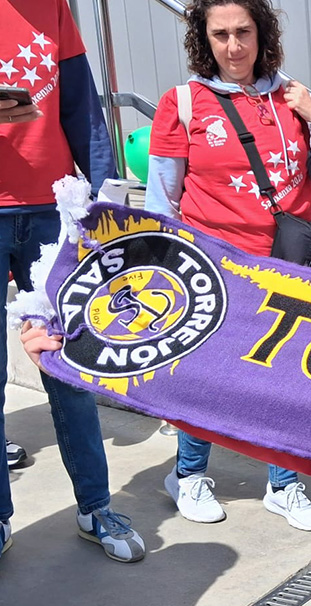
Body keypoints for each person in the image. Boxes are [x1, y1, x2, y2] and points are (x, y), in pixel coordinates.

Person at [145, 0, 311, 530]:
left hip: (289, 266)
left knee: (287, 377)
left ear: (262, 34)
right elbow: (162, 199)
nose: (234, 47)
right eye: (220, 34)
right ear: (203, 39)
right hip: (217, 269)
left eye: (243, 32)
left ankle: (283, 483)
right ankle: (188, 475)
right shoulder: (183, 103)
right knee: (208, 376)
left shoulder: (292, 97)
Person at [0, 0, 146, 563]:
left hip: (50, 212)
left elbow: (84, 109)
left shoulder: (52, 8)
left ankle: (95, 506)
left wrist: (109, 202)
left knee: (69, 367)